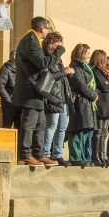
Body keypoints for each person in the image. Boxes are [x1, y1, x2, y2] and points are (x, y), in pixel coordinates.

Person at [13, 16, 63, 166]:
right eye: (47, 27)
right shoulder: (30, 40)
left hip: (36, 90)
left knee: (41, 124)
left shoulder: (35, 40)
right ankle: (25, 154)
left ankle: (38, 154)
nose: (48, 30)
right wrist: (59, 51)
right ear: (42, 28)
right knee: (29, 122)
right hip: (29, 89)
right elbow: (43, 63)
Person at [40, 32, 72, 166]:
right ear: (51, 44)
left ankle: (57, 154)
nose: (60, 46)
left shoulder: (58, 59)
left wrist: (67, 72)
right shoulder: (47, 57)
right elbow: (50, 77)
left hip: (62, 97)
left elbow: (60, 77)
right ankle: (45, 153)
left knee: (62, 127)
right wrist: (65, 72)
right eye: (58, 43)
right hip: (53, 96)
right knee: (51, 125)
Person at [66, 44, 98, 166]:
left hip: (86, 101)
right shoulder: (75, 65)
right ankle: (75, 156)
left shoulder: (84, 66)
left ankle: (82, 156)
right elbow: (79, 84)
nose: (89, 55)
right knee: (77, 129)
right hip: (79, 101)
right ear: (81, 53)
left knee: (84, 130)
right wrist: (93, 95)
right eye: (87, 52)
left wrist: (94, 94)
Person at [89, 50, 109, 167]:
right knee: (98, 132)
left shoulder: (103, 72)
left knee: (104, 132)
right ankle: (96, 156)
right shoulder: (95, 70)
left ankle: (102, 155)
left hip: (106, 105)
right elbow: (105, 87)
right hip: (101, 104)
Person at [0, 50, 20, 129]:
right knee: (7, 126)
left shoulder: (20, 69)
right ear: (13, 57)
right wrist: (9, 100)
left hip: (19, 103)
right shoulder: (6, 69)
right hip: (9, 104)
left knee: (19, 127)